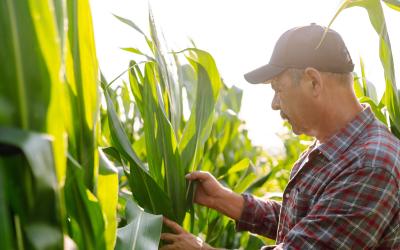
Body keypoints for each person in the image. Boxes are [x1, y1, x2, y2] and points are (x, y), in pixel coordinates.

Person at [160, 23, 400, 250]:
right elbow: (307, 223)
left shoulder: (370, 164)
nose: (274, 104)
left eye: (277, 88)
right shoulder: (334, 148)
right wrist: (223, 199)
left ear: (313, 82)